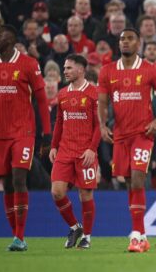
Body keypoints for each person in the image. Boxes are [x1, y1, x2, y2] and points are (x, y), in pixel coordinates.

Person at [97, 28, 156, 253]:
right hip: (120, 136)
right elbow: (101, 103)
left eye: (130, 39)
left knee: (139, 180)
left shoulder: (149, 69)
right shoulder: (107, 71)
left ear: (138, 43)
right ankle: (142, 234)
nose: (125, 42)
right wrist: (102, 125)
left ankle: (137, 236)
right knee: (129, 182)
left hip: (143, 134)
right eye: (122, 39)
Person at [0, 25, 51, 251]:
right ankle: (16, 236)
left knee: (19, 178)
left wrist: (46, 133)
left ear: (10, 38)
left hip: (23, 132)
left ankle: (20, 237)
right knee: (7, 183)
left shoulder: (29, 64)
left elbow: (41, 100)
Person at [49, 54, 99, 249]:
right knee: (57, 192)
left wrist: (92, 149)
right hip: (65, 151)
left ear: (80, 69)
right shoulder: (62, 94)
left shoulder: (93, 93)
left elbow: (98, 124)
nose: (65, 71)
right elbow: (59, 122)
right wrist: (54, 146)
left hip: (85, 152)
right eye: (65, 67)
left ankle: (87, 236)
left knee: (85, 195)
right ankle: (74, 226)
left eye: (69, 68)